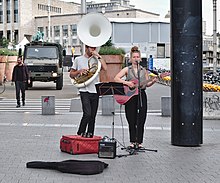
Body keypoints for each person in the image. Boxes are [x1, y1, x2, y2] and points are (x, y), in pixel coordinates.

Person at [114, 46, 158, 148]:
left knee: (141, 119)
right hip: (130, 96)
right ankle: (132, 141)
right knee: (131, 119)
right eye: (134, 57)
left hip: (141, 95)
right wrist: (127, 83)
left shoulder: (144, 70)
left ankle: (140, 142)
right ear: (130, 58)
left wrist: (153, 82)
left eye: (138, 57)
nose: (136, 58)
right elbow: (116, 78)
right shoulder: (127, 69)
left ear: (140, 58)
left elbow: (146, 84)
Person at [69, 45, 107, 138]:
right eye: (91, 48)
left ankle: (90, 134)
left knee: (93, 115)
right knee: (87, 113)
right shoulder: (78, 59)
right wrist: (79, 71)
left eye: (94, 48)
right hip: (84, 89)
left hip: (95, 90)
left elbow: (105, 68)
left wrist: (98, 56)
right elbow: (71, 74)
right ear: (86, 48)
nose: (93, 49)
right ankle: (80, 132)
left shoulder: (97, 59)